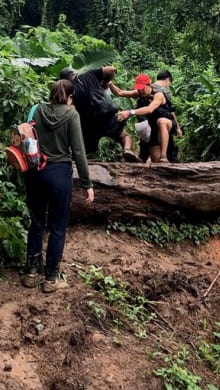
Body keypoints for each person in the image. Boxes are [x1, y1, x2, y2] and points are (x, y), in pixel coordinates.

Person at [20, 79, 94, 293]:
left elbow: (27, 139)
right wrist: (87, 184)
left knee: (36, 222)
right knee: (58, 227)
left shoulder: (37, 109)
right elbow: (78, 151)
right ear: (70, 97)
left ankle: (31, 272)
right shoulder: (72, 114)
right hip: (59, 174)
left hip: (35, 172)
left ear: (51, 94)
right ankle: (51, 278)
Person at [60, 66, 141, 161]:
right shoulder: (89, 73)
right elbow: (111, 69)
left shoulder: (67, 88)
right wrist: (106, 81)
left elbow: (69, 106)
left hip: (87, 120)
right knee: (125, 136)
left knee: (87, 149)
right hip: (106, 113)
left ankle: (85, 161)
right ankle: (127, 149)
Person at [118, 71, 182, 163]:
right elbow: (120, 92)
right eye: (139, 89)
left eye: (143, 88)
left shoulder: (159, 94)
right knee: (156, 162)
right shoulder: (139, 94)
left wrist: (130, 112)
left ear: (149, 85)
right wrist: (109, 83)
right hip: (152, 130)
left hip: (167, 123)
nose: (141, 91)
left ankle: (164, 156)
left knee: (161, 121)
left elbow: (150, 109)